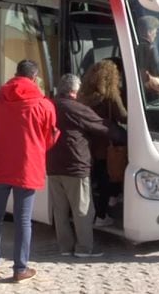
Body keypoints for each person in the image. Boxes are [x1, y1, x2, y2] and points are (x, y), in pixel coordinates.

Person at [0, 59, 58, 283]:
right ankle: (20, 268)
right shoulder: (44, 105)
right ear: (34, 78)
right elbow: (50, 138)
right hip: (27, 167)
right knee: (23, 219)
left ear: (15, 74)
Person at [48, 74, 126, 257]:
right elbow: (101, 126)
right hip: (75, 165)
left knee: (60, 210)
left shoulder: (50, 105)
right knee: (82, 209)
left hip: (52, 164)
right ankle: (84, 248)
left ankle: (65, 247)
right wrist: (125, 136)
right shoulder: (76, 108)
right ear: (74, 91)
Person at [78, 59, 127, 228]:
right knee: (109, 175)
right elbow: (123, 116)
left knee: (97, 178)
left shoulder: (83, 94)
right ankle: (102, 214)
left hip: (88, 142)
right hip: (106, 143)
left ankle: (95, 210)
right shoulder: (110, 95)